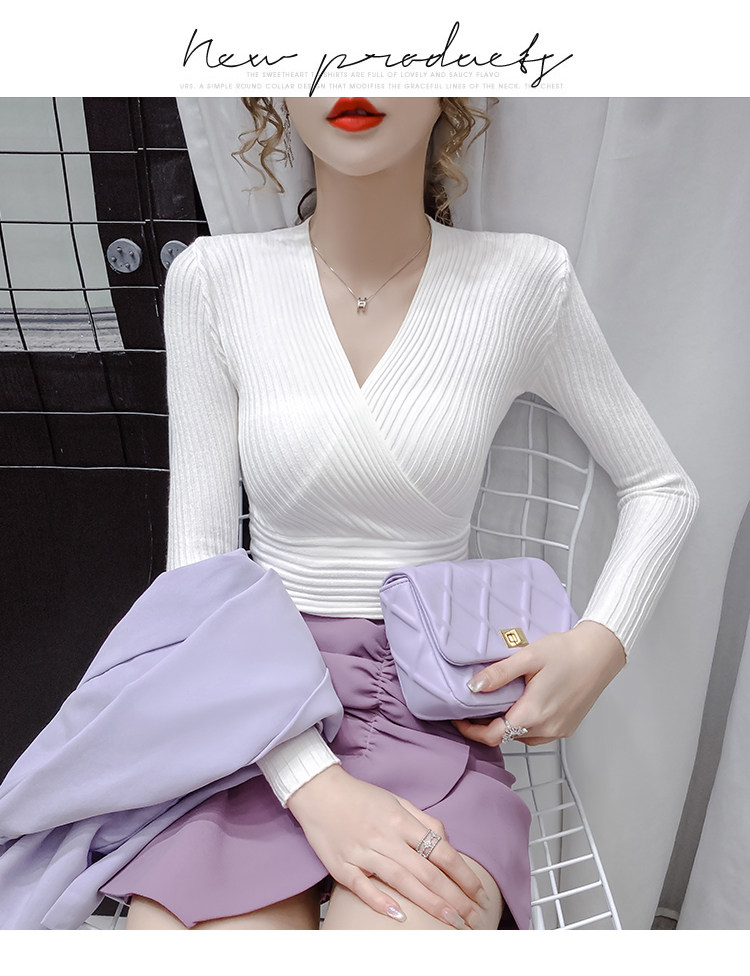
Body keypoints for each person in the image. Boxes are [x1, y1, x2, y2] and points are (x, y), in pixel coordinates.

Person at [97, 97, 700, 930]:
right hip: (252, 705)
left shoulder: (524, 280)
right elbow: (195, 572)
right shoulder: (215, 280)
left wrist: (601, 645)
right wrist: (313, 786)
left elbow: (662, 487)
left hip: (429, 707)